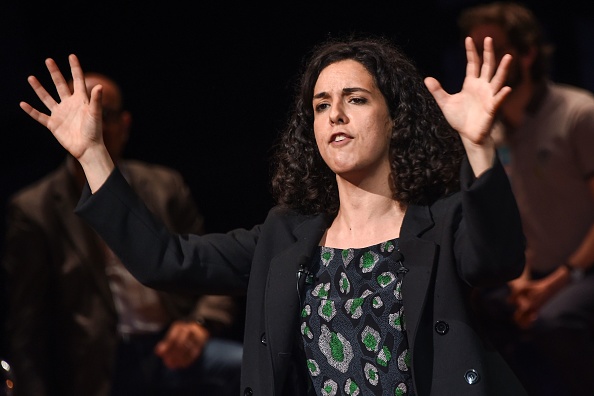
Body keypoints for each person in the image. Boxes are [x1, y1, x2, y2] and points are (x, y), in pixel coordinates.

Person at [19, 32, 527, 395]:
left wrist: (478, 145)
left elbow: (497, 260)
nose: (337, 116)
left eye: (355, 99)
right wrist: (92, 154)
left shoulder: (440, 223)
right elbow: (166, 260)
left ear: (395, 120)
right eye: (322, 105)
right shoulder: (287, 235)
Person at [3, 72, 243, 396]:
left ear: (125, 125)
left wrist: (199, 325)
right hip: (98, 361)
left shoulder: (164, 185)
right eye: (80, 114)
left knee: (251, 367)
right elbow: (27, 321)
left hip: (169, 341)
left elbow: (210, 264)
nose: (92, 125)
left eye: (103, 114)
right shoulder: (34, 209)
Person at [458, 2, 594, 395]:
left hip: (581, 268)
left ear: (527, 53)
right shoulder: (492, 129)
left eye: (493, 48)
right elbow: (510, 215)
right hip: (533, 271)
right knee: (469, 308)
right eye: (475, 50)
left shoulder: (577, 113)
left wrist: (554, 282)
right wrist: (522, 280)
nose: (484, 61)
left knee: (556, 321)